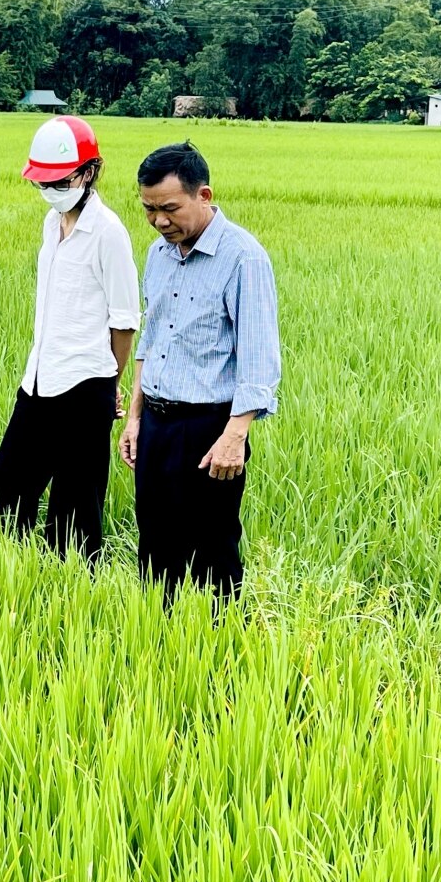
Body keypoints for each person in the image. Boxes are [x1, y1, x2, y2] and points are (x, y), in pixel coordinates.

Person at [120, 142, 280, 599]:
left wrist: (236, 436)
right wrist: (135, 418)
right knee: (154, 543)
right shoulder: (158, 253)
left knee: (214, 551)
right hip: (156, 421)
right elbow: (152, 341)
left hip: (210, 428)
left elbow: (259, 357)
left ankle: (220, 648)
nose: (159, 220)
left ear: (204, 195)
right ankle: (160, 636)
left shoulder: (243, 258)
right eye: (149, 209)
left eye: (169, 208)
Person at [0, 116, 141, 560]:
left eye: (59, 180)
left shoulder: (108, 233)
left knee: (74, 516)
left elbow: (124, 320)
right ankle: (4, 579)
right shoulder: (50, 224)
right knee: (4, 498)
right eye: (43, 182)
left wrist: (110, 382)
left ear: (88, 173)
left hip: (85, 385)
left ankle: (70, 594)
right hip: (38, 379)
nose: (50, 190)